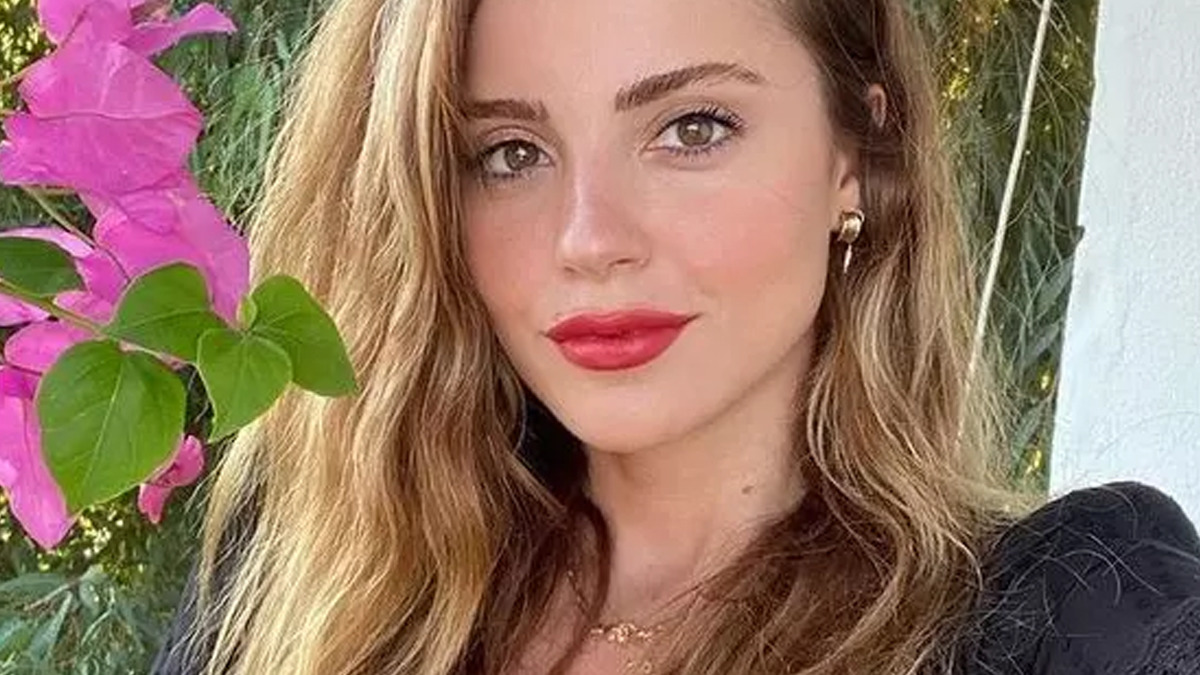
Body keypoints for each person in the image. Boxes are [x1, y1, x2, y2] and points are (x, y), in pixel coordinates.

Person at [152, 0, 1200, 673]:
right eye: (510, 152)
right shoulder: (308, 578)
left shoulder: (1071, 618)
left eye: (693, 128)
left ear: (857, 159)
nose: (589, 240)